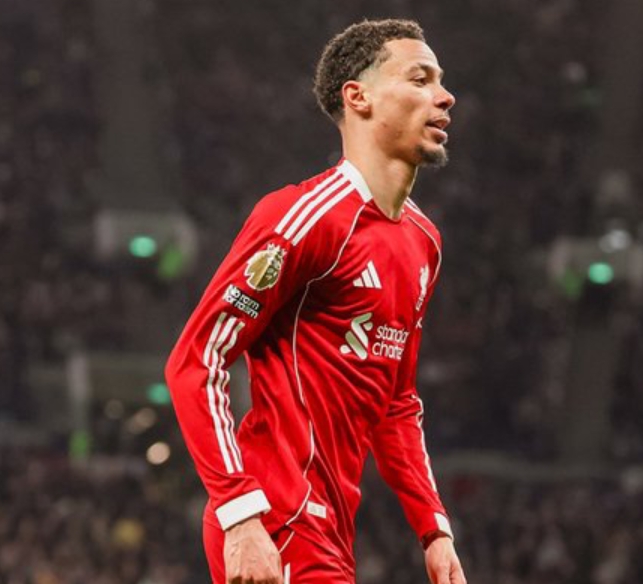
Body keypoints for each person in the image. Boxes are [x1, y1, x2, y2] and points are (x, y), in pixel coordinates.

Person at [165, 19, 466, 584]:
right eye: (420, 79)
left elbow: (396, 401)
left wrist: (434, 528)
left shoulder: (423, 242)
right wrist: (240, 514)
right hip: (278, 515)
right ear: (359, 97)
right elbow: (197, 360)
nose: (445, 96)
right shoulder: (305, 217)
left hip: (328, 526)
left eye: (441, 81)